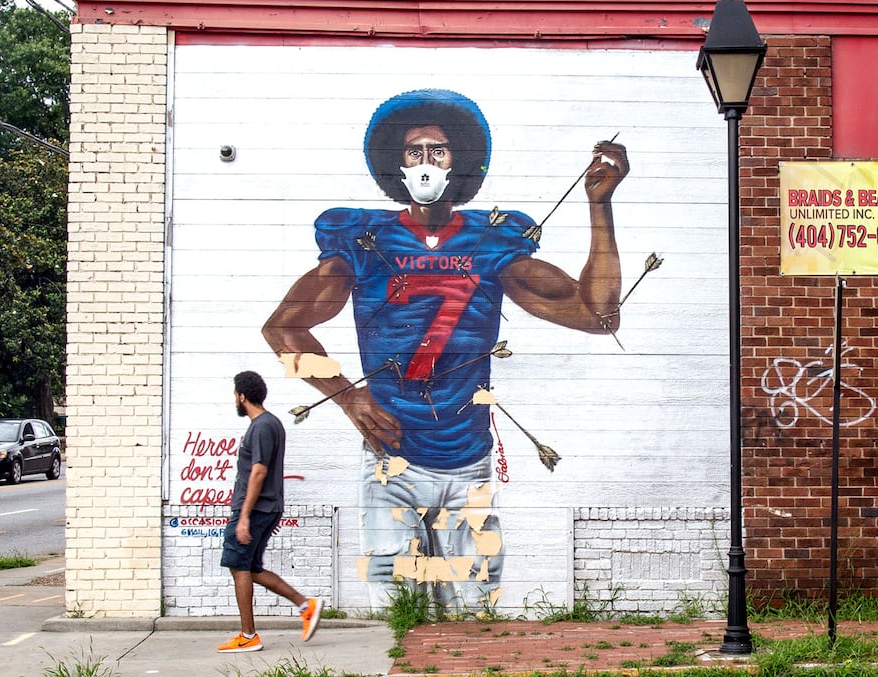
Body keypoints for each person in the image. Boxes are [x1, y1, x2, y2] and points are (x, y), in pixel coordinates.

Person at [262, 88, 629, 612]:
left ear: (458, 162)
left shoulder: (491, 241)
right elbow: (283, 329)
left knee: (475, 612)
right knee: (399, 615)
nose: (427, 163)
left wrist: (600, 205)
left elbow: (598, 315)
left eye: (439, 150)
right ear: (398, 164)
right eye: (416, 152)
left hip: (468, 461)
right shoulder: (366, 238)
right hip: (391, 460)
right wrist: (345, 396)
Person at [217, 369, 322, 653]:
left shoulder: (262, 426)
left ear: (242, 396)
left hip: (255, 508)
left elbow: (259, 471)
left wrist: (245, 517)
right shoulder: (270, 424)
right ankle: (305, 604)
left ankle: (248, 635)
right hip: (265, 508)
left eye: (235, 396)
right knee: (250, 568)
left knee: (238, 567)